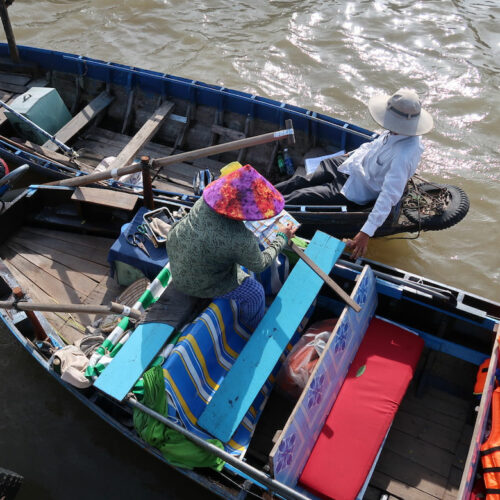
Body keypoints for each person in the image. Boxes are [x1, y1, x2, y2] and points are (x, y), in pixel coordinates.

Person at [276, 88, 434, 259]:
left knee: (301, 196)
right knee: (301, 180)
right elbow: (372, 146)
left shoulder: (403, 155)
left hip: (355, 188)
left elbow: (389, 195)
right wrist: (350, 155)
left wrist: (365, 233)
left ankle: (267, 210)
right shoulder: (397, 132)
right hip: (351, 166)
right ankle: (262, 192)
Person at [165, 164, 296, 330]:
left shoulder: (204, 201)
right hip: (195, 282)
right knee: (255, 293)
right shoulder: (241, 239)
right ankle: (250, 327)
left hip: (178, 255)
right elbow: (260, 264)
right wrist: (282, 237)